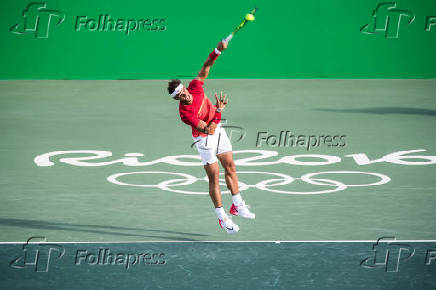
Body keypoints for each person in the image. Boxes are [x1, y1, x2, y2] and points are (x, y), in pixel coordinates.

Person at [167, 40, 255, 234]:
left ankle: (238, 205)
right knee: (214, 176)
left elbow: (206, 66)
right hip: (204, 139)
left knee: (230, 165)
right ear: (177, 99)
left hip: (217, 129)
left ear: (185, 88)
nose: (185, 96)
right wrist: (219, 110)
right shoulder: (185, 114)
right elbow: (208, 130)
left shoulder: (195, 86)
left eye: (184, 91)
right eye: (180, 96)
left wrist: (218, 50)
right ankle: (222, 218)